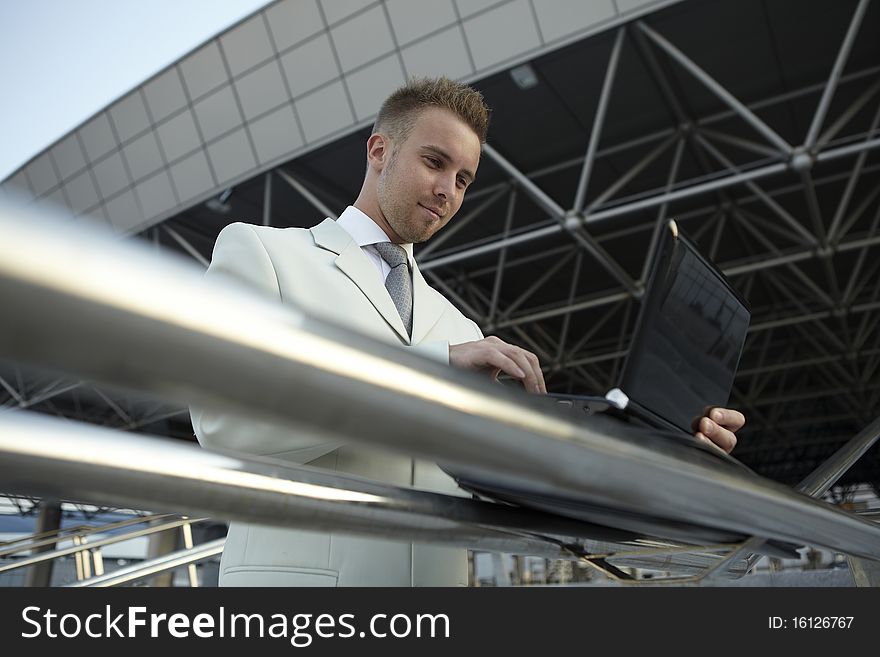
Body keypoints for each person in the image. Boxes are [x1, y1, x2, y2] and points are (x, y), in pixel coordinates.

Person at [190, 76, 745, 587]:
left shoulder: (457, 326)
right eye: (435, 163)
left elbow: (512, 490)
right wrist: (432, 369)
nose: (448, 192)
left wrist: (667, 451)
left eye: (463, 180)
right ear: (379, 151)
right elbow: (224, 420)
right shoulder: (265, 252)